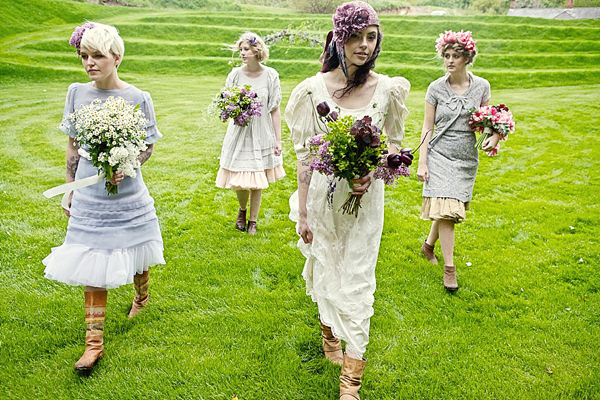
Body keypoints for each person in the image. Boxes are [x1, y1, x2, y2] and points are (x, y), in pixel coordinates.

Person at [285, 2, 409, 398]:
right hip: (324, 201)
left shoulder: (388, 89)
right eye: (356, 35)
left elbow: (394, 145)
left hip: (366, 204)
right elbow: (305, 157)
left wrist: (373, 172)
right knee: (326, 269)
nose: (364, 45)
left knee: (357, 281)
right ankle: (328, 334)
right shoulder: (312, 91)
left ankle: (350, 385)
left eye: (371, 37)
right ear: (339, 37)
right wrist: (303, 211)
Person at [43, 22, 165, 371]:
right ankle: (93, 344)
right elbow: (72, 145)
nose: (89, 63)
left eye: (97, 56)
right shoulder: (76, 92)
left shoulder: (138, 97)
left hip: (127, 189)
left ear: (117, 57)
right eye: (84, 56)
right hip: (88, 191)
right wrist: (69, 189)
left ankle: (141, 298)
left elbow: (148, 146)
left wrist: (128, 163)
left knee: (137, 244)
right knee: (92, 259)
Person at [417, 30, 499, 291]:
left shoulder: (482, 86)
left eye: (456, 56)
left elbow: (491, 120)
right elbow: (427, 127)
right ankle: (449, 269)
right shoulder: (435, 89)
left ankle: (428, 247)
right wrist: (422, 161)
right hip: (439, 154)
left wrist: (494, 138)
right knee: (449, 212)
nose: (450, 60)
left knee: (446, 208)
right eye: (447, 55)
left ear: (467, 58)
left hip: (466, 157)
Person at [215, 32, 285, 234]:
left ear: (257, 50)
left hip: (262, 132)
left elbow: (274, 108)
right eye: (241, 50)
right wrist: (234, 107)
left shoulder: (271, 75)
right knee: (241, 180)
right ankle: (242, 211)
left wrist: (278, 140)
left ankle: (253, 221)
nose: (242, 53)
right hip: (240, 132)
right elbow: (226, 104)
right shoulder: (235, 75)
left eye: (246, 49)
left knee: (257, 179)